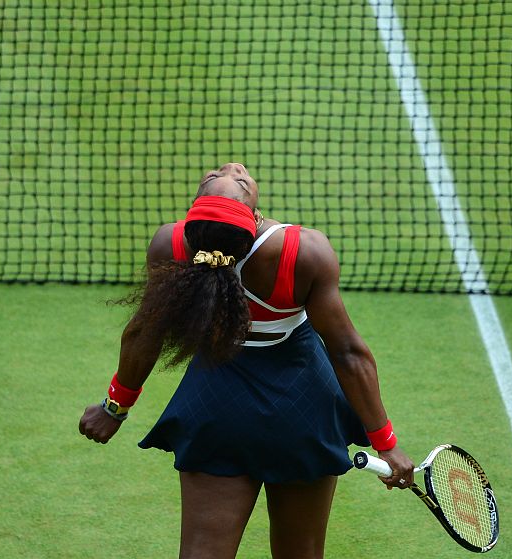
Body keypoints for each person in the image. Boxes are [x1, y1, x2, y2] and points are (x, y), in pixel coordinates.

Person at [78, 162, 414, 559]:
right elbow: (348, 352)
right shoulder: (301, 250)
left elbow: (144, 333)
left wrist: (115, 408)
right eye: (232, 179)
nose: (232, 168)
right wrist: (386, 443)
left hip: (216, 407)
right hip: (302, 408)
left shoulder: (171, 246)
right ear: (253, 219)